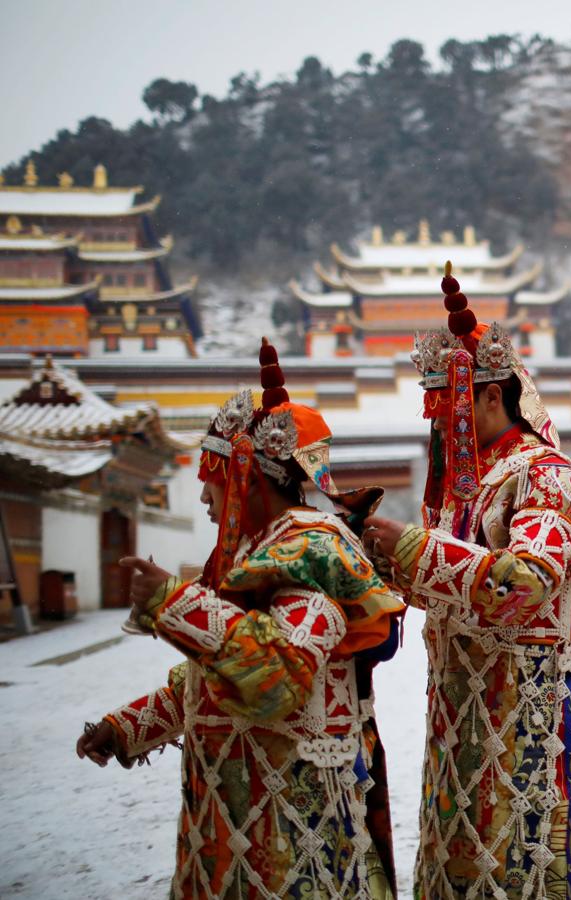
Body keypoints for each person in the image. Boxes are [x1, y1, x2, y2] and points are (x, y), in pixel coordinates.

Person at [76, 339, 404, 898]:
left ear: (248, 477)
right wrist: (130, 725)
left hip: (292, 826)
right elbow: (215, 674)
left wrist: (174, 604)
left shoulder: (315, 554)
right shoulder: (254, 553)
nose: (203, 494)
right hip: (235, 816)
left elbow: (278, 676)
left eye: (213, 474)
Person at [362, 264, 571, 898]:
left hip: (530, 706)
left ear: (489, 395)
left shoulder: (542, 475)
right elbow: (444, 584)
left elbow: (526, 582)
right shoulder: (464, 486)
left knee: (531, 863)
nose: (439, 424)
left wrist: (418, 549)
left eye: (447, 404)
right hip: (463, 707)